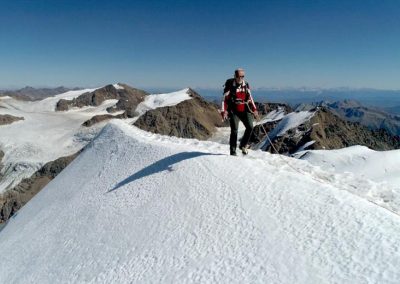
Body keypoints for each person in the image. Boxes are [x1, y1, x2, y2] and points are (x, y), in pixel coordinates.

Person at [221, 68, 258, 156]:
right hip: (234, 111)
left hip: (245, 109)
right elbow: (224, 100)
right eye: (239, 76)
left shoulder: (246, 85)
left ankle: (243, 145)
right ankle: (233, 152)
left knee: (250, 127)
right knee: (234, 131)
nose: (241, 78)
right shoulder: (230, 85)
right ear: (235, 76)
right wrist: (224, 111)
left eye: (242, 76)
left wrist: (254, 109)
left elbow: (250, 98)